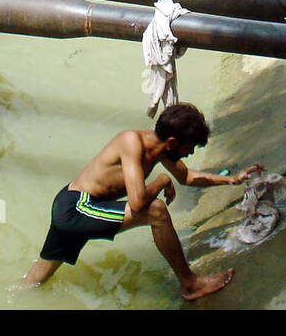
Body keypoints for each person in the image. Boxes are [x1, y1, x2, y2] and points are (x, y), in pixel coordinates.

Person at [22, 103, 262, 300]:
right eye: (189, 148)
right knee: (155, 210)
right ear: (172, 142)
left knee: (34, 283)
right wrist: (161, 180)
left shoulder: (161, 150)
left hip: (78, 207)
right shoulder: (131, 143)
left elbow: (187, 176)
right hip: (77, 208)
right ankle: (190, 285)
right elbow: (137, 203)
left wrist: (232, 180)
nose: (189, 154)